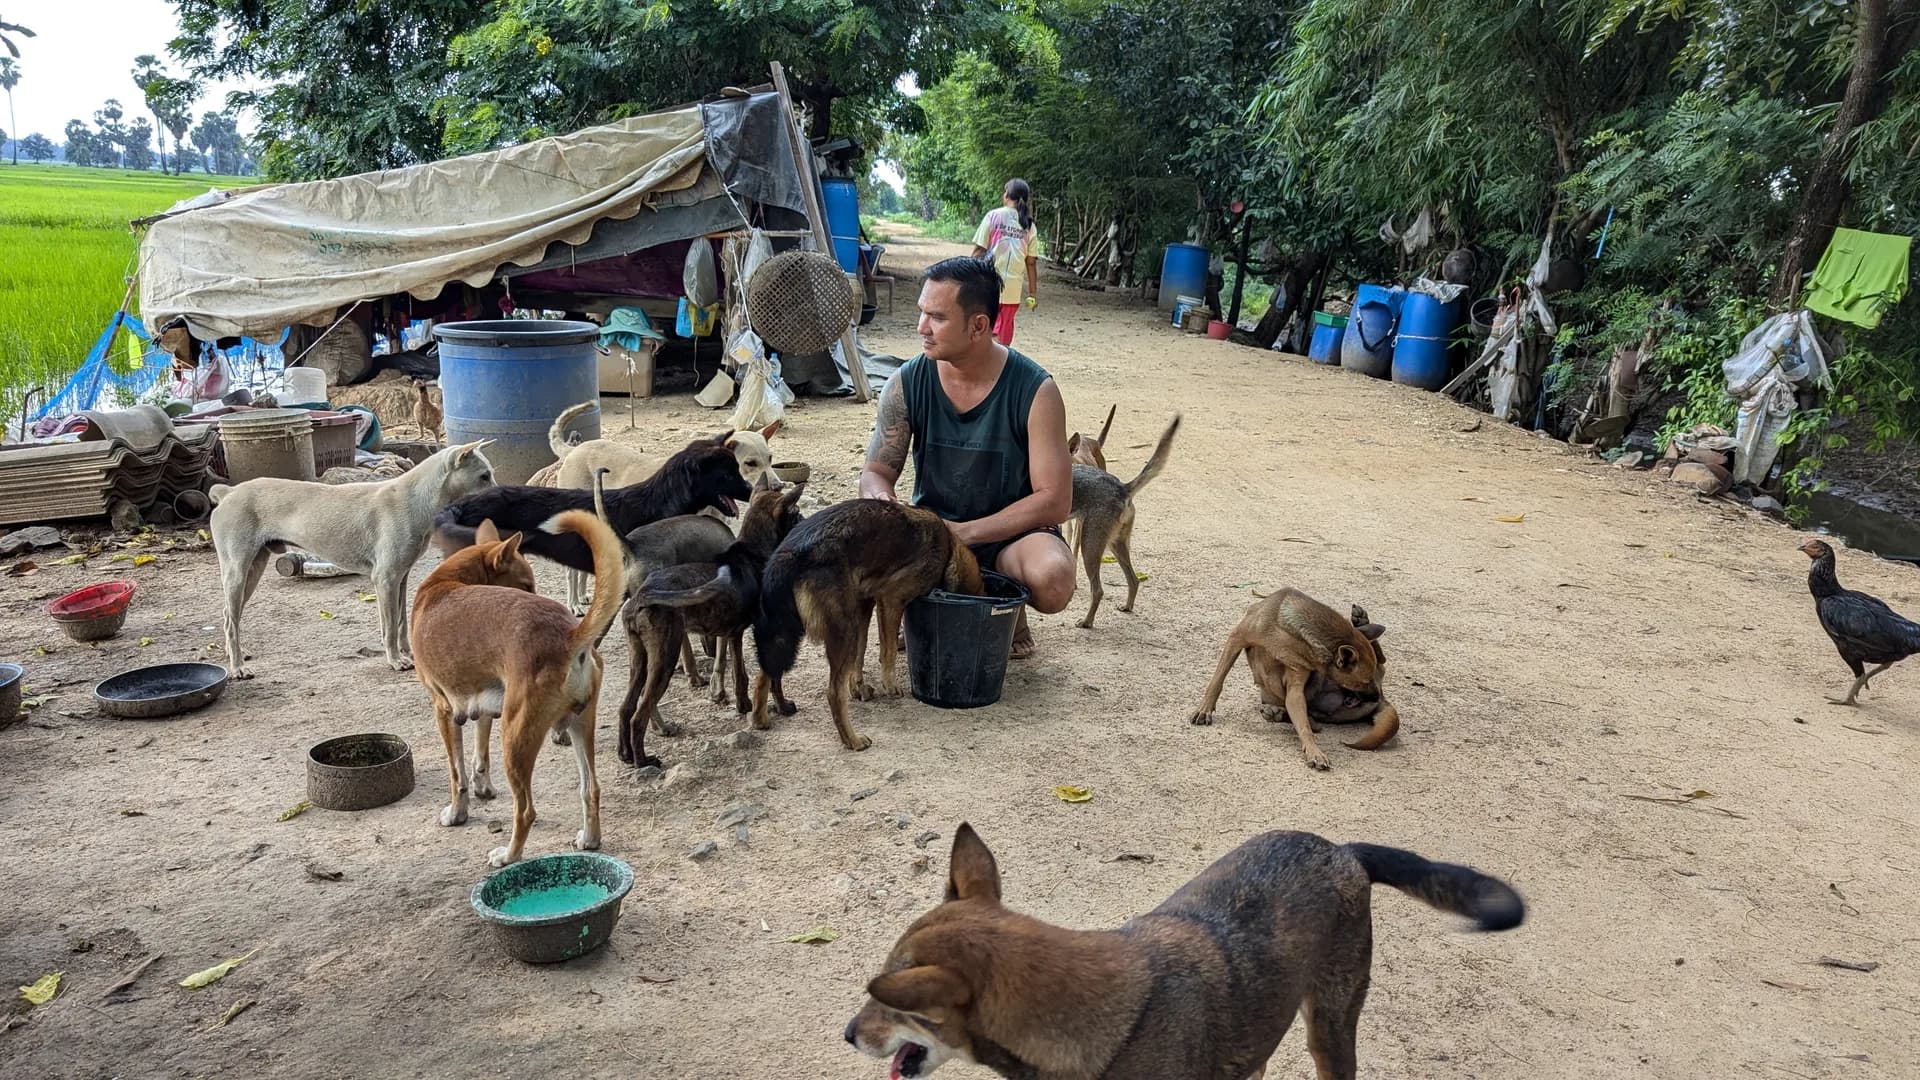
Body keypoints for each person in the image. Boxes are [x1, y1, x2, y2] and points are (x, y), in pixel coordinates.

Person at [861, 256, 1075, 659]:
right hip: (933, 535)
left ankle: (1007, 603)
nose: (921, 328)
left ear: (978, 325)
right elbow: (875, 471)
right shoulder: (905, 383)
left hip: (1012, 537)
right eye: (922, 313)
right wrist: (885, 507)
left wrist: (967, 533)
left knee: (1054, 579)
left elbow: (1055, 500)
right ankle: (927, 605)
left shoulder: (1036, 390)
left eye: (937, 317)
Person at [970, 178, 1040, 346]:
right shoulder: (1029, 226)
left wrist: (967, 277)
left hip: (988, 283)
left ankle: (984, 364)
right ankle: (999, 365)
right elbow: (1031, 263)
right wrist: (1032, 294)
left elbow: (979, 250)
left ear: (1007, 195)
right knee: (1004, 333)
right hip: (1012, 290)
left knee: (984, 326)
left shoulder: (993, 216)